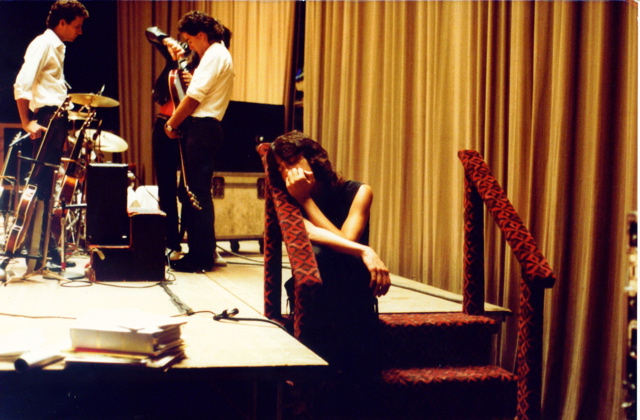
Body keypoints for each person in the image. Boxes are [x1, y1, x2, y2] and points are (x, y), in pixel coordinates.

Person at [266, 131, 391, 370]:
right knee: (321, 256)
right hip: (320, 291)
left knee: (333, 258)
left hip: (352, 285)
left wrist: (306, 200)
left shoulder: (359, 191)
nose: (287, 172)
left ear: (312, 159)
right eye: (281, 168)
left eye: (291, 162)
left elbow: (346, 240)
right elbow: (310, 233)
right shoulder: (288, 198)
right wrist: (366, 251)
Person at [13, 0, 89, 269]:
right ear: (62, 23)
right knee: (42, 185)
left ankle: (45, 249)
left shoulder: (56, 46)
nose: (80, 31)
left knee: (47, 185)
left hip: (55, 117)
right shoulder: (44, 44)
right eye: (76, 26)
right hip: (46, 117)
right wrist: (26, 122)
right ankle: (37, 250)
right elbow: (22, 83)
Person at [164, 11, 233, 273]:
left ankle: (200, 257)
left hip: (202, 127)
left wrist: (171, 123)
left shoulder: (214, 54)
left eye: (190, 40)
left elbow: (193, 98)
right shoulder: (217, 54)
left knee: (195, 194)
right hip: (205, 127)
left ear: (202, 35)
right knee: (192, 192)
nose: (190, 46)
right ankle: (201, 253)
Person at [146, 26, 196, 261]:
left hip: (189, 126)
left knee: (188, 188)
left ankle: (193, 243)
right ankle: (172, 243)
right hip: (164, 123)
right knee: (166, 187)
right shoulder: (182, 52)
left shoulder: (207, 62)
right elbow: (150, 32)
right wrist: (167, 41)